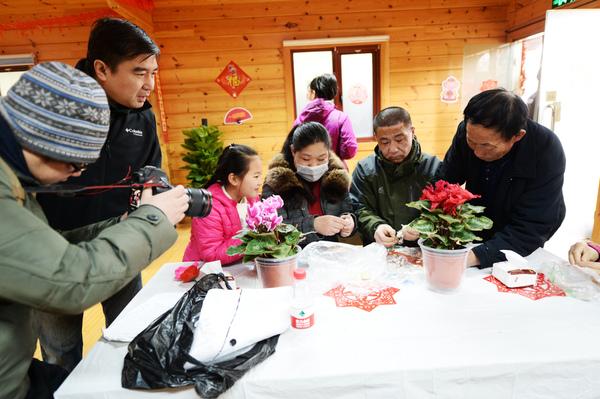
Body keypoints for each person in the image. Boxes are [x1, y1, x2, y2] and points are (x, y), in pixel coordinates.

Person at [0, 62, 188, 399]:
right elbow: (71, 279)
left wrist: (131, 219)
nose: (76, 176)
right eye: (74, 164)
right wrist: (151, 219)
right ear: (38, 141)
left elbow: (50, 254)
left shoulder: (14, 180)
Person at [35, 17, 163, 371]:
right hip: (54, 249)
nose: (149, 84)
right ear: (102, 69)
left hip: (119, 239)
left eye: (153, 72)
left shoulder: (143, 118)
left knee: (131, 337)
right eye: (140, 72)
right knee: (61, 353)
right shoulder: (56, 114)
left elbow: (152, 170)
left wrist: (154, 189)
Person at [439, 88, 566, 269]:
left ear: (517, 136)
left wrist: (473, 257)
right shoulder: (468, 131)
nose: (477, 152)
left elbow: (532, 225)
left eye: (487, 146)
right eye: (471, 142)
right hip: (482, 217)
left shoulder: (545, 148)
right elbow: (445, 180)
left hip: (523, 230)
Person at [350, 106, 441, 246]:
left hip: (425, 251)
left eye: (399, 140)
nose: (393, 149)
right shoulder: (365, 170)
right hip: (379, 250)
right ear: (376, 138)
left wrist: (422, 226)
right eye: (384, 142)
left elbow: (443, 211)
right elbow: (359, 207)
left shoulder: (434, 167)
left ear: (412, 132)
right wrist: (376, 227)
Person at [262, 121, 356, 246]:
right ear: (293, 151)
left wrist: (349, 221)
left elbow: (348, 210)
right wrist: (313, 225)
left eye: (321, 159)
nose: (314, 166)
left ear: (328, 153)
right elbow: (271, 229)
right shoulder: (276, 183)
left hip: (330, 255)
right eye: (306, 159)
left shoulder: (337, 178)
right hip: (293, 257)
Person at [183, 144, 262, 265]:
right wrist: (250, 237)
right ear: (234, 179)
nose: (260, 182)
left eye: (260, 175)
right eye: (256, 176)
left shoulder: (252, 198)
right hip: (202, 271)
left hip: (237, 268)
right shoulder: (209, 208)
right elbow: (211, 254)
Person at [293, 73, 357, 165]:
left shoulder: (300, 118)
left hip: (306, 171)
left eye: (309, 91)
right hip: (334, 171)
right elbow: (349, 150)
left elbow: (293, 148)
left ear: (313, 93)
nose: (307, 94)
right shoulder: (341, 118)